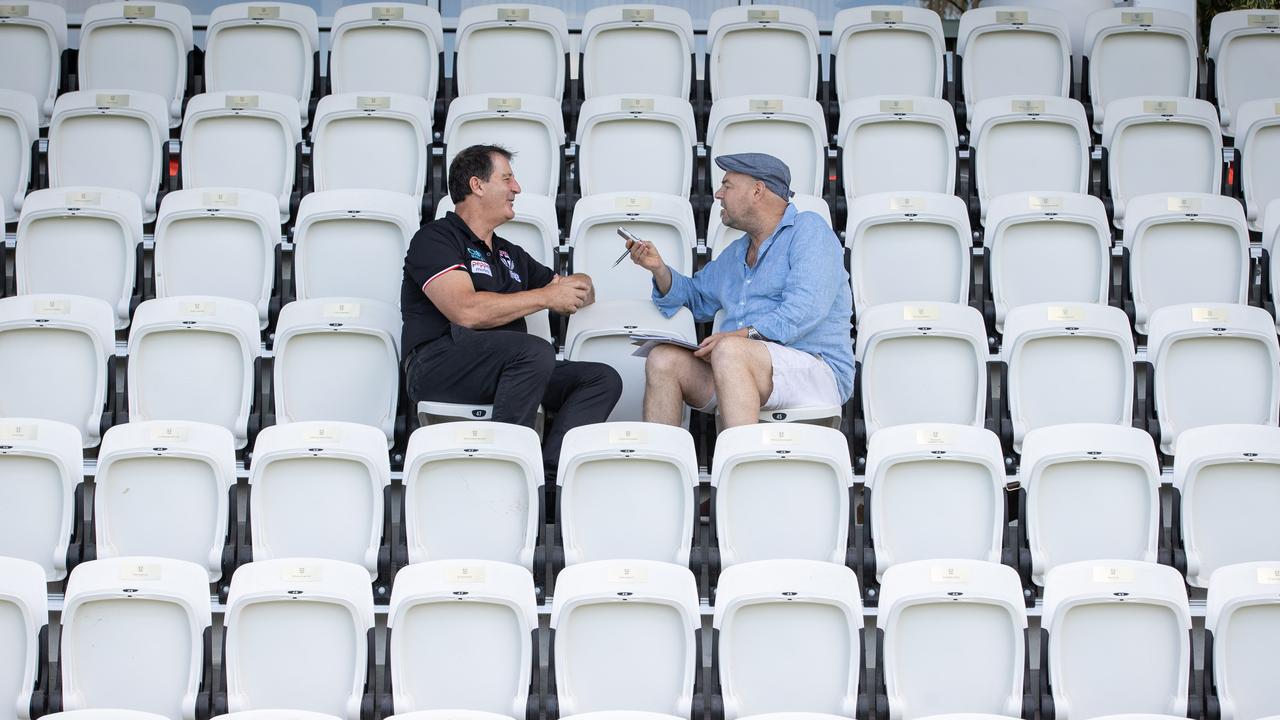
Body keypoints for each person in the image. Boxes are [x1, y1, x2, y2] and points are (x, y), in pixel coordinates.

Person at [401, 143, 622, 479]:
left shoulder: (508, 253)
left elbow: (574, 291)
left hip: (511, 368)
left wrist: (581, 283)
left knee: (600, 378)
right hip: (438, 365)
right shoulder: (435, 238)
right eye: (507, 179)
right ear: (477, 185)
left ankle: (547, 477)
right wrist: (546, 297)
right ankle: (505, 468)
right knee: (535, 351)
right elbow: (467, 312)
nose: (516, 188)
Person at [627, 152, 853, 427]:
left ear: (757, 190)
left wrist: (741, 337)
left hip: (815, 370)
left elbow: (804, 310)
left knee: (730, 349)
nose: (718, 194)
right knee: (663, 359)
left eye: (727, 185)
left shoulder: (809, 230)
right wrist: (658, 268)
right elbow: (695, 297)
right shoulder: (736, 252)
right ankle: (659, 464)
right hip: (739, 368)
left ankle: (741, 465)